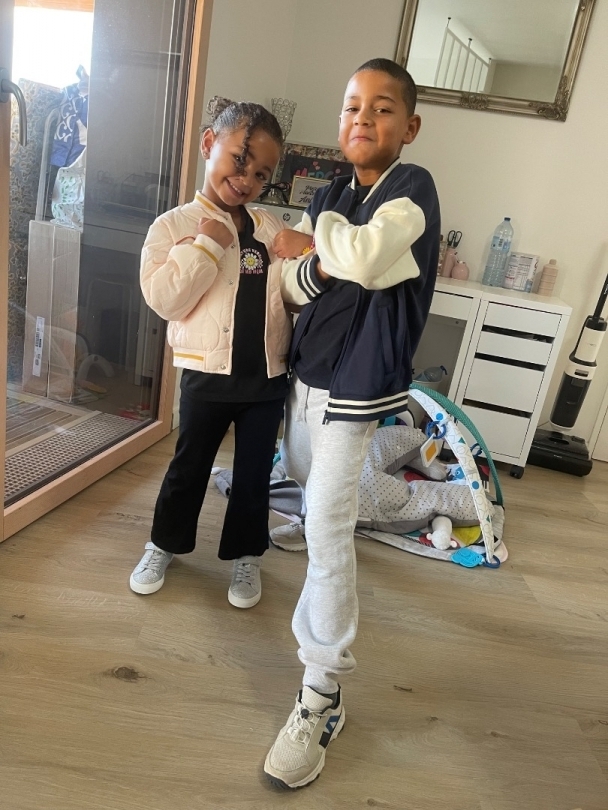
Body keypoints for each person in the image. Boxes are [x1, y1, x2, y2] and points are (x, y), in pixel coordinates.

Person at [263, 58, 441, 788]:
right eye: (351, 106)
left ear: (410, 126)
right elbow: (293, 284)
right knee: (314, 512)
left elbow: (362, 261)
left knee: (330, 532)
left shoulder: (412, 192)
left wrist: (315, 245)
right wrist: (318, 255)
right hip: (305, 380)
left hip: (355, 390)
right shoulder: (334, 193)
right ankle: (322, 676)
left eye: (382, 108)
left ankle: (321, 693)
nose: (362, 118)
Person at [130, 100, 290, 609]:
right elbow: (165, 300)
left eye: (261, 174)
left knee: (254, 476)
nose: (246, 180)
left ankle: (247, 555)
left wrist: (308, 251)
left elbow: (290, 295)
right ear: (208, 144)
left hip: (266, 380)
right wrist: (204, 246)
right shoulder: (173, 226)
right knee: (189, 466)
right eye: (240, 160)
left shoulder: (269, 229)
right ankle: (163, 544)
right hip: (206, 377)